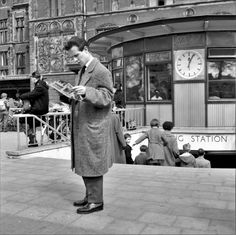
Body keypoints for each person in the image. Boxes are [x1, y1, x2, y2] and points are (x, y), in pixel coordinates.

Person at [64, 36, 114, 214]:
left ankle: (96, 201)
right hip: (84, 124)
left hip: (93, 126)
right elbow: (86, 95)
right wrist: (74, 94)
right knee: (85, 163)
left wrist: (87, 91)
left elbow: (107, 97)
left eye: (76, 55)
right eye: (73, 57)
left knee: (92, 163)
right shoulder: (82, 70)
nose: (75, 60)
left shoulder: (100, 70)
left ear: (86, 50)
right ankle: (90, 196)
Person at [19, 71, 49, 147]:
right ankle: (33, 140)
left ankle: (32, 138)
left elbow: (32, 94)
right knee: (32, 123)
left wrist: (21, 96)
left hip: (38, 110)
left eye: (32, 78)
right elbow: (34, 96)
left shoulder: (39, 86)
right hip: (40, 109)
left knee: (22, 120)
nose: (32, 80)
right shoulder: (42, 85)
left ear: (34, 78)